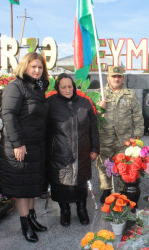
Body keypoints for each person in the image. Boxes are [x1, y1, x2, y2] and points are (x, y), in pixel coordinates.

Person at [0, 52, 49, 242]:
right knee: (21, 187)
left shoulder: (37, 88)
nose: (37, 70)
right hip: (19, 146)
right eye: (33, 66)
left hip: (36, 146)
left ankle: (32, 218)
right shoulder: (15, 86)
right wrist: (17, 144)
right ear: (25, 66)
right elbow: (8, 115)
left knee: (32, 184)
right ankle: (25, 224)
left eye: (40, 67)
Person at [46, 73, 99, 227]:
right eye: (64, 87)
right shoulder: (50, 103)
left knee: (80, 181)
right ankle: (65, 211)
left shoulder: (85, 103)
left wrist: (95, 148)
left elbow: (94, 128)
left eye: (70, 86)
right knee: (61, 183)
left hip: (82, 151)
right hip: (59, 152)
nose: (68, 90)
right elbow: (43, 128)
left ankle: (82, 209)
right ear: (57, 88)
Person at [96, 66, 144, 203]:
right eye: (114, 76)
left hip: (124, 139)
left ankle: (124, 191)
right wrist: (99, 108)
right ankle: (106, 190)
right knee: (103, 165)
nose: (117, 79)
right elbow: (91, 117)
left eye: (119, 76)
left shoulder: (129, 94)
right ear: (108, 78)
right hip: (104, 137)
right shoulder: (99, 94)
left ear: (123, 77)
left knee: (125, 166)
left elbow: (137, 116)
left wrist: (138, 134)